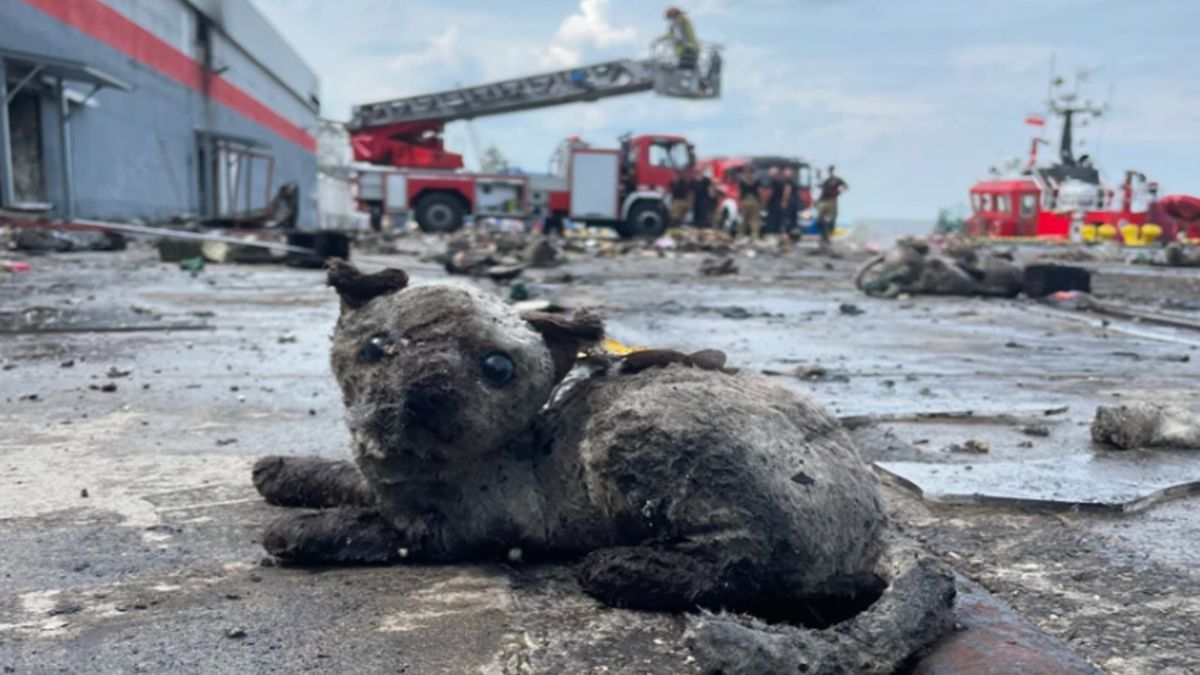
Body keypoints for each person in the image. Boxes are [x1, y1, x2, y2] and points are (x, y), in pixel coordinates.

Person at [816, 165, 849, 246]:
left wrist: (839, 192)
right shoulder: (826, 180)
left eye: (831, 170)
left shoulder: (837, 180)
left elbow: (846, 186)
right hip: (824, 201)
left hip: (832, 201)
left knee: (832, 220)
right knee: (820, 220)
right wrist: (818, 201)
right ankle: (824, 236)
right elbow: (823, 192)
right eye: (829, 170)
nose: (830, 172)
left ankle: (828, 237)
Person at [737, 167, 762, 239]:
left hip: (746, 201)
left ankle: (741, 234)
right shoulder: (757, 181)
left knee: (744, 219)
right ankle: (754, 235)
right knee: (754, 219)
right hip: (754, 201)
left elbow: (740, 192)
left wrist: (739, 201)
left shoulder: (742, 181)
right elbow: (759, 191)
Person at [764, 167, 785, 235]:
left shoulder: (772, 182)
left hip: (772, 204)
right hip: (778, 204)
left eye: (770, 173)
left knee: (771, 220)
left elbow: (770, 193)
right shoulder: (781, 182)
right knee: (778, 221)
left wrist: (765, 201)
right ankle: (777, 233)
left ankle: (771, 234)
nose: (768, 174)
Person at [782, 167, 801, 238]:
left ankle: (786, 234)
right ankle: (793, 235)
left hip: (790, 202)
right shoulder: (794, 182)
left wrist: (784, 202)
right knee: (793, 219)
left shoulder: (788, 182)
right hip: (795, 202)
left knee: (787, 218)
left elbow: (787, 192)